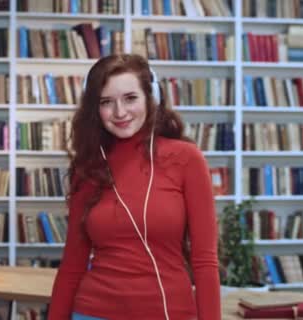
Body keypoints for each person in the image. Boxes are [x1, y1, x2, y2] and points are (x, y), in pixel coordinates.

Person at [48, 54, 220, 320]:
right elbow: (72, 266)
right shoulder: (89, 169)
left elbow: (205, 261)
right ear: (95, 110)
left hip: (170, 311)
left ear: (152, 99)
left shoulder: (186, 159)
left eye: (130, 98)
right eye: (107, 102)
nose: (120, 112)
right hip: (93, 311)